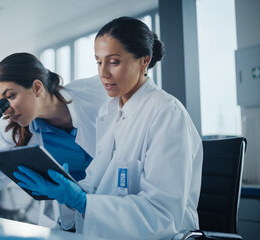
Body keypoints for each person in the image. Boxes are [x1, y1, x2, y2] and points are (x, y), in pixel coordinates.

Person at [13, 16, 203, 239]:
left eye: (113, 62)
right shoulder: (110, 113)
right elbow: (97, 187)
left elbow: (162, 215)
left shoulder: (166, 112)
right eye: (98, 61)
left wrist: (82, 201)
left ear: (144, 61)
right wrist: (68, 193)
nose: (103, 73)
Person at [0, 52, 109, 227]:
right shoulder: (12, 126)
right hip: (70, 216)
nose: (6, 110)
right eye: (1, 101)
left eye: (10, 96)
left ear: (37, 87)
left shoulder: (94, 93)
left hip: (112, 206)